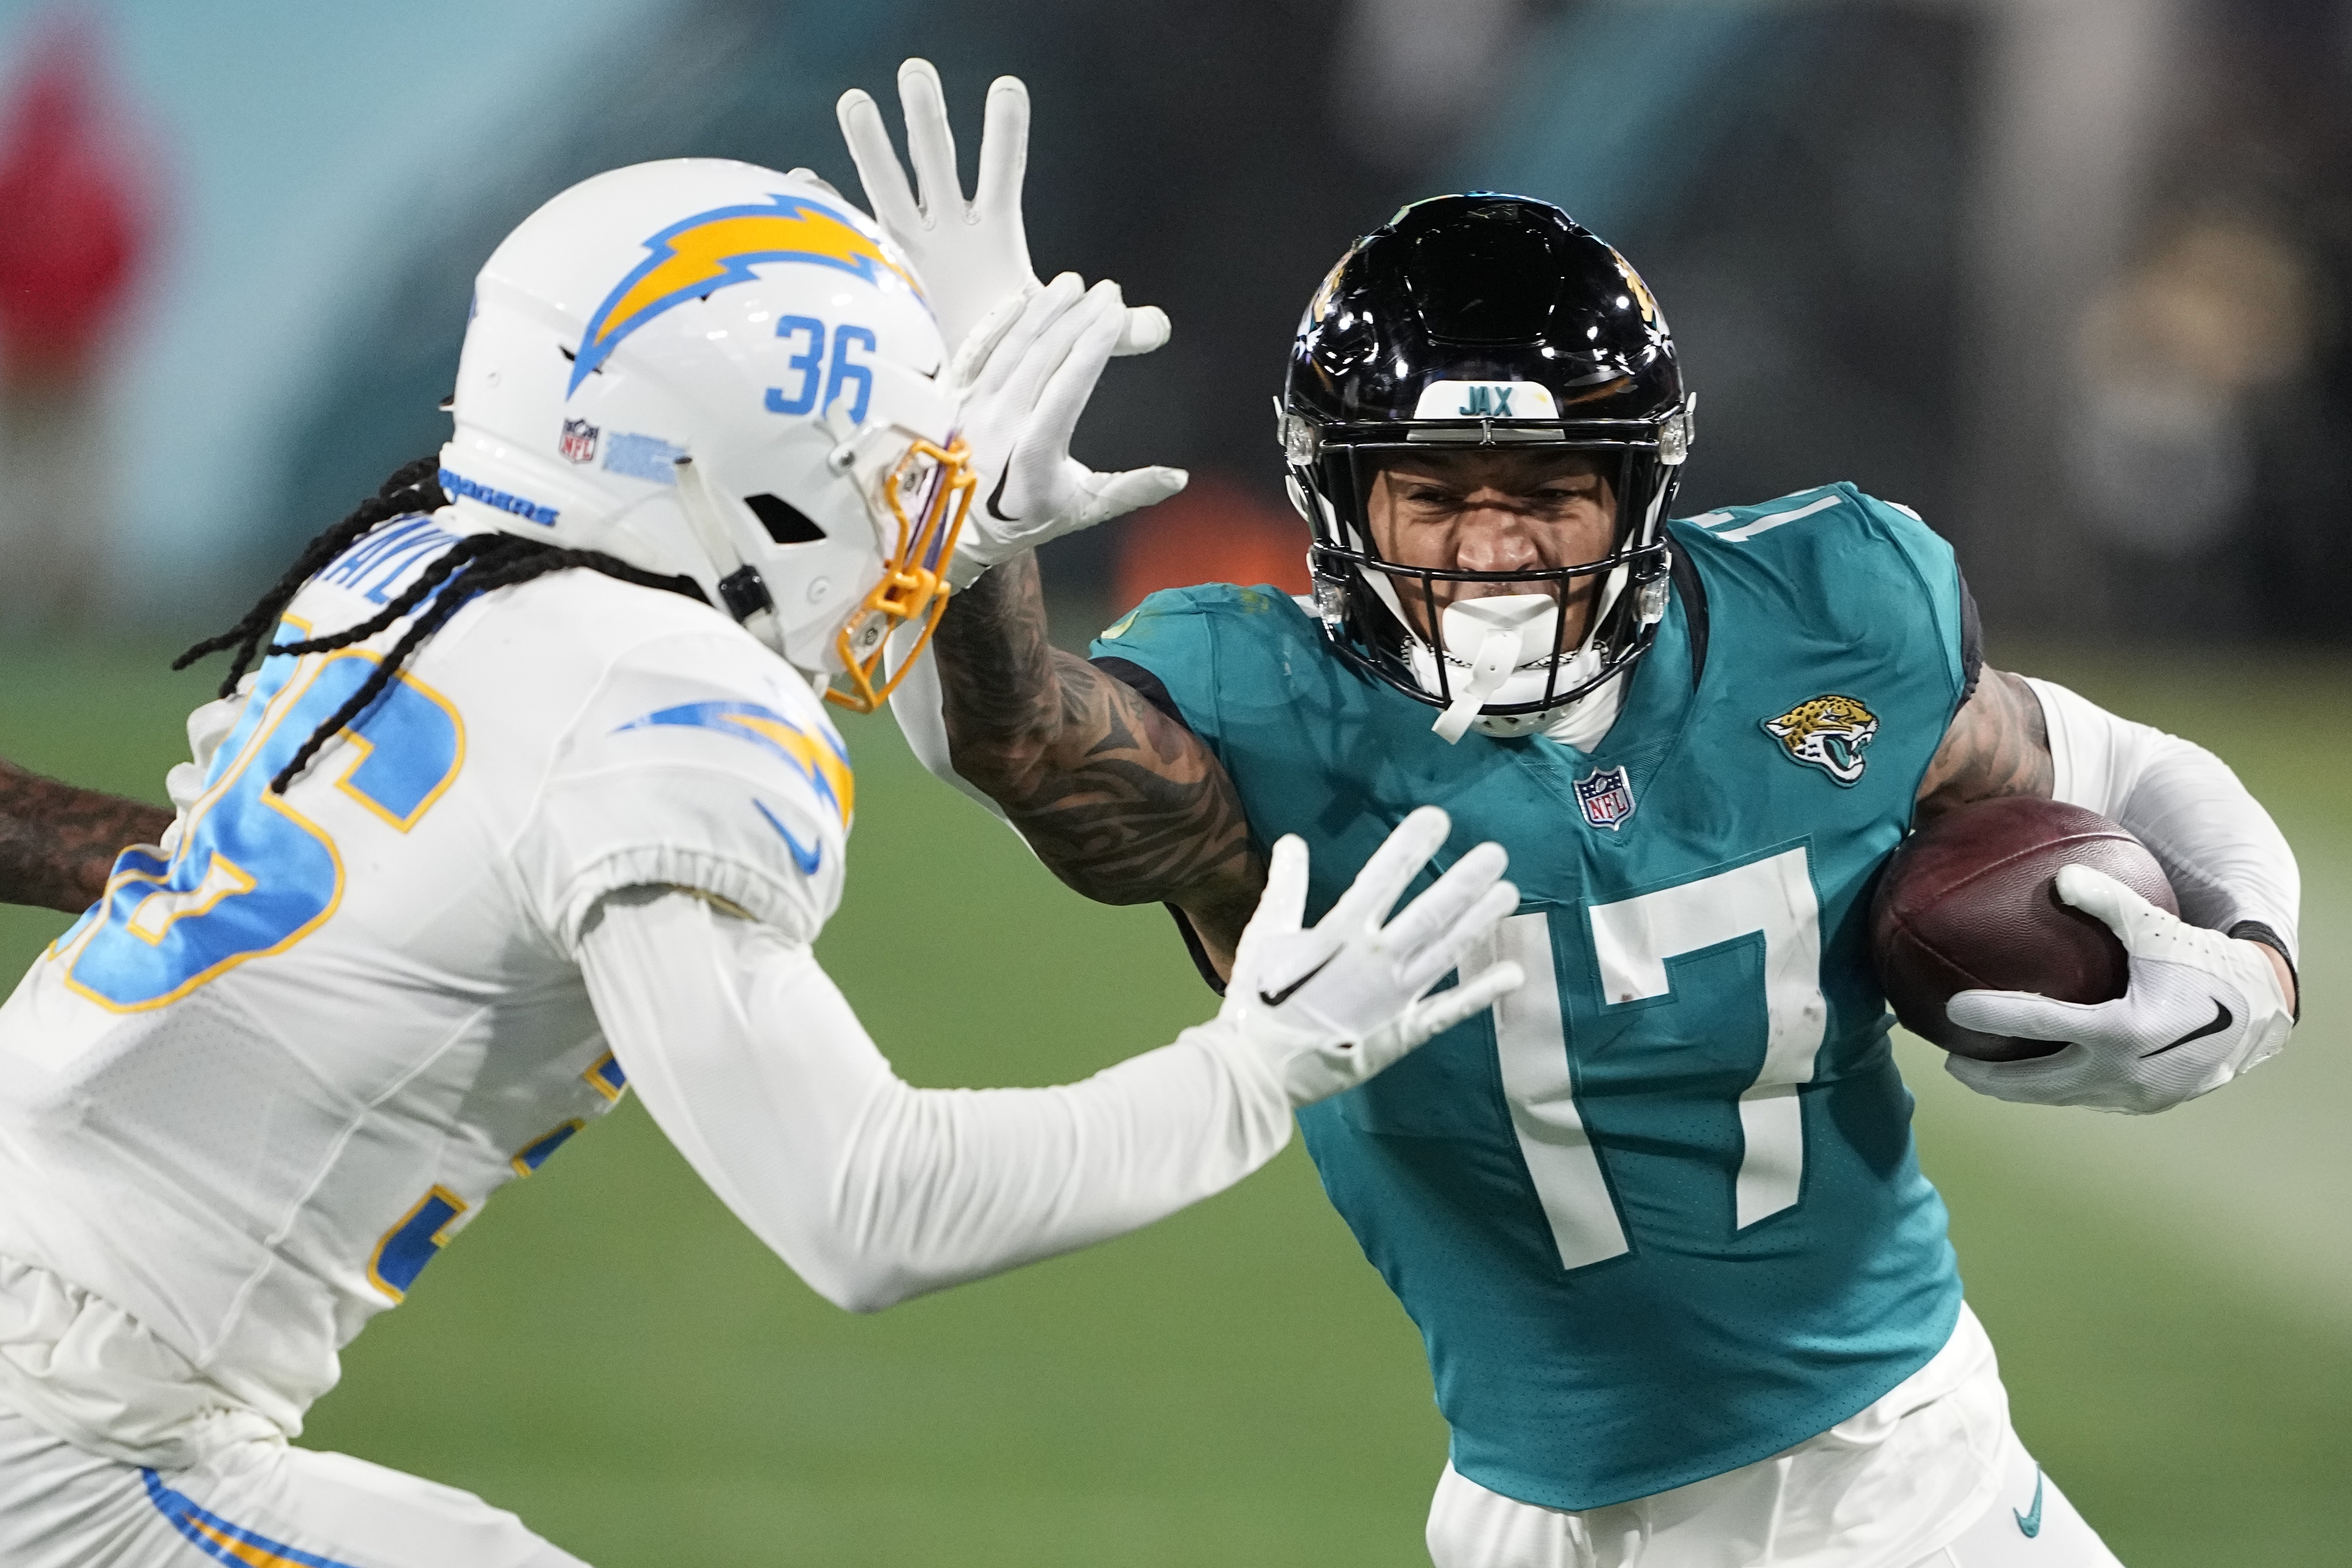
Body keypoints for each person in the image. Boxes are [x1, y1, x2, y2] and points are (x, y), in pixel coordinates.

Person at [859, 73, 2303, 1568]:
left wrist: (2256, 961)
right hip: (1528, 1516)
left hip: (1894, 1479)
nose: (1494, 544)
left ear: (1641, 487)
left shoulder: (1829, 614)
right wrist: (960, 522)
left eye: (1551, 487)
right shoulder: (1262, 699)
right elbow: (1017, 747)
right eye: (1432, 490)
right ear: (1339, 501)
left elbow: (2120, 765)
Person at [0, 155, 1526, 1567]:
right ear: (739, 462)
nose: (903, 517)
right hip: (74, 1431)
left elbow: (252, 869)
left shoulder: (406, 565)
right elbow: (868, 1209)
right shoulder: (668, 706)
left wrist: (973, 566)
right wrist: (1256, 1066)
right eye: (880, 467)